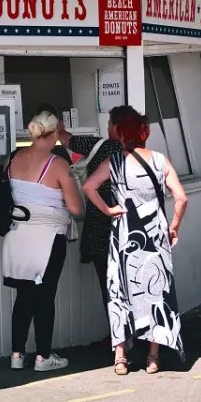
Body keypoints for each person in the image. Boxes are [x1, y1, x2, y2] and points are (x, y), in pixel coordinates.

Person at [81, 106, 187, 375]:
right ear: (144, 132)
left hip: (124, 237)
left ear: (119, 132)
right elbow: (181, 198)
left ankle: (120, 358)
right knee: (155, 293)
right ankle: (153, 357)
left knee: (119, 292)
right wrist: (173, 227)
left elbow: (88, 186)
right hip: (155, 236)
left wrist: (108, 210)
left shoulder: (114, 162)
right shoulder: (160, 160)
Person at [2, 108, 84, 372]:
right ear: (54, 134)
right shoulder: (57, 164)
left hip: (17, 235)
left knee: (23, 295)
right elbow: (76, 208)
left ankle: (17, 355)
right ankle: (43, 356)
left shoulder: (12, 159)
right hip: (48, 238)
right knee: (44, 297)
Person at [76, 106, 129, 332]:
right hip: (128, 232)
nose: (107, 127)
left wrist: (58, 130)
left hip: (102, 230)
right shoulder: (142, 156)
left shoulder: (105, 148)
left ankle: (120, 339)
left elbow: (69, 140)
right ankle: (133, 338)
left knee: (110, 289)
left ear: (117, 127)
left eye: (109, 123)